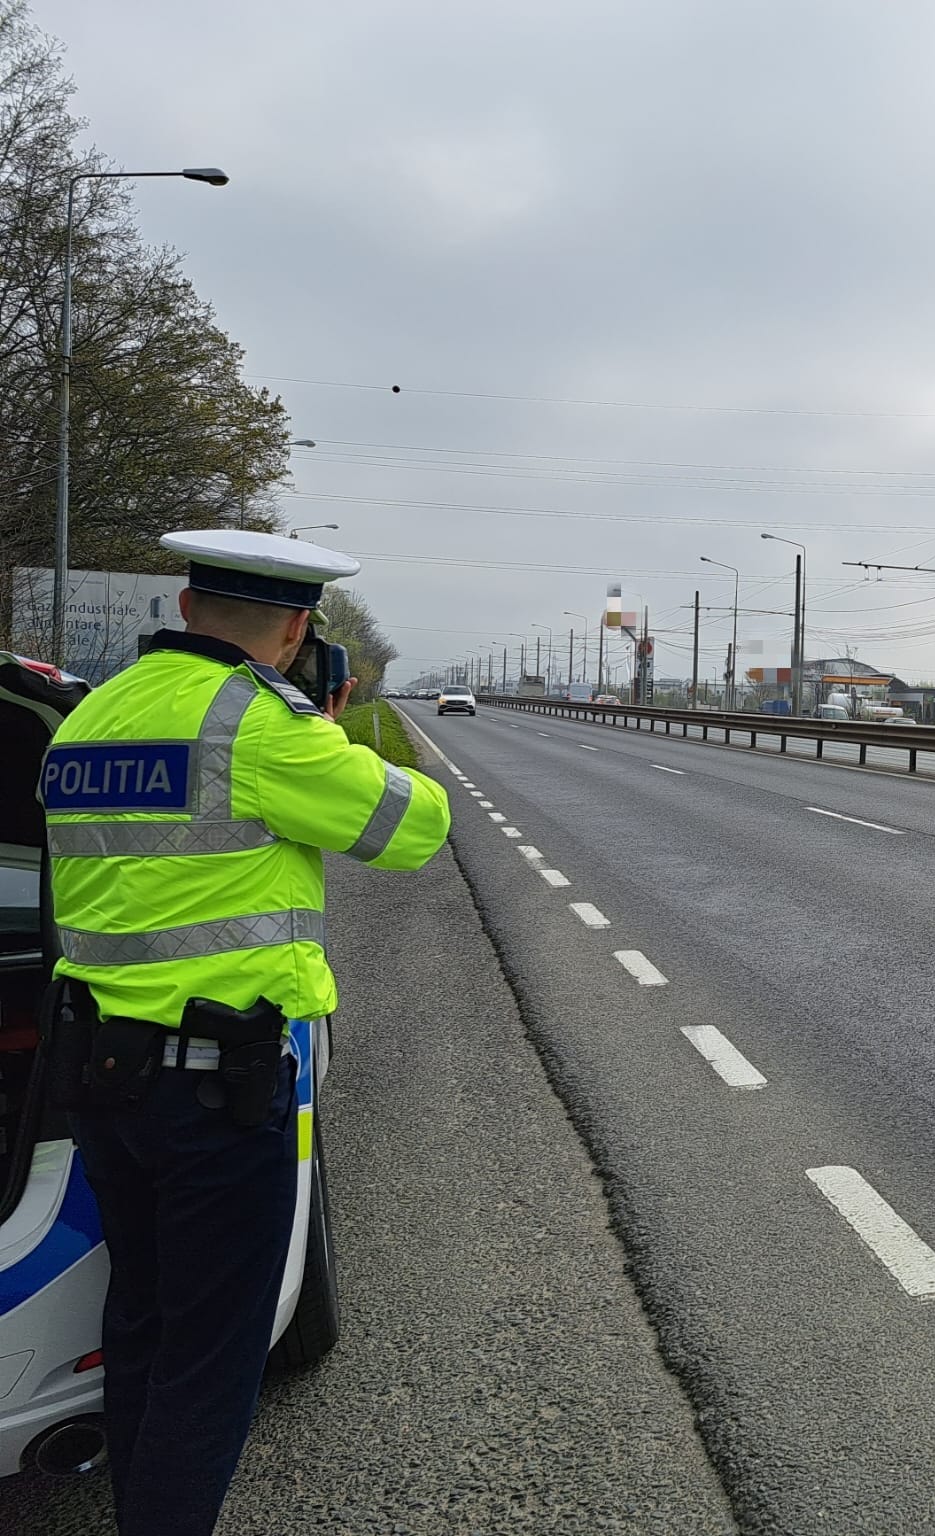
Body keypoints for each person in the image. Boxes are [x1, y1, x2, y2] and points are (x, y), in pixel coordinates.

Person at [42, 529, 450, 1535]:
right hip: (216, 1094)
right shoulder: (264, 726)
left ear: (184, 609)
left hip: (100, 1074)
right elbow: (415, 828)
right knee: (212, 1356)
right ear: (299, 631)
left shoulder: (87, 715)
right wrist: (330, 729)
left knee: (141, 1319)